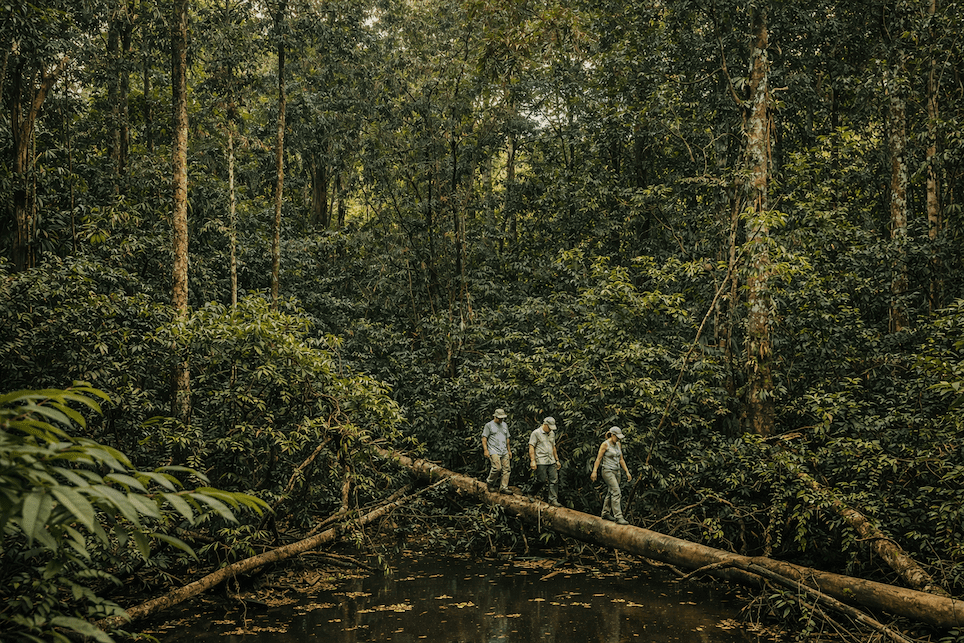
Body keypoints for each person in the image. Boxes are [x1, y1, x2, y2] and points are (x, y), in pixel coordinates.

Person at [590, 426, 632, 525]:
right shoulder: (605, 445)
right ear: (612, 435)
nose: (618, 439)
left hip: (617, 471)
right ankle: (618, 517)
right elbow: (598, 459)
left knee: (611, 492)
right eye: (617, 436)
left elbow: (621, 459)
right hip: (607, 471)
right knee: (616, 492)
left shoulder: (618, 444)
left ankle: (605, 513)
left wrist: (627, 471)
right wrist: (594, 471)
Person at [528, 416, 562, 507]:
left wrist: (557, 460)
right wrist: (533, 461)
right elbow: (531, 447)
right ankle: (531, 493)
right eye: (549, 427)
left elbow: (553, 447)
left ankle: (553, 500)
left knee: (554, 480)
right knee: (541, 480)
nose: (551, 429)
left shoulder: (552, 434)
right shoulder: (536, 433)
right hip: (541, 460)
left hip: (551, 460)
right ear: (545, 425)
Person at [482, 408, 513, 494]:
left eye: (502, 418)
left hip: (504, 450)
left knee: (506, 469)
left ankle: (504, 487)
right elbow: (484, 438)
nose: (501, 420)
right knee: (497, 468)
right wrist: (485, 450)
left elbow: (507, 439)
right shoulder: (489, 425)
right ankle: (490, 482)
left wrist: (509, 450)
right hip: (493, 450)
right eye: (499, 418)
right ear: (495, 416)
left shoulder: (505, 425)